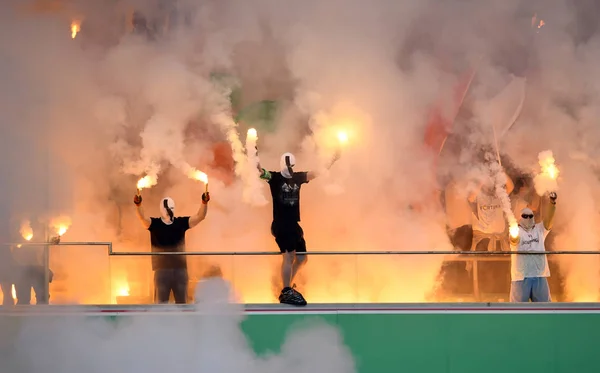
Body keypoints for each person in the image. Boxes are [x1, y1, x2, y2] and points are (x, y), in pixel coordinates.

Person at [258, 151, 339, 306]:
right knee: (289, 256)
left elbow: (316, 173)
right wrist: (253, 155)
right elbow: (261, 172)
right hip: (281, 224)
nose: (291, 168)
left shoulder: (297, 178)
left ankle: (286, 285)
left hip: (294, 224)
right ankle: (286, 289)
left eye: (293, 166)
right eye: (290, 165)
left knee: (302, 258)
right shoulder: (275, 178)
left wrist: (332, 159)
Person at [134, 191, 210, 304]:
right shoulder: (155, 224)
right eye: (166, 208)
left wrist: (204, 202)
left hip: (179, 270)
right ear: (161, 209)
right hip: (162, 270)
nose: (169, 210)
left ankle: (182, 321)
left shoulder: (180, 222)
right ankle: (162, 321)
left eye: (171, 207)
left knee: (182, 304)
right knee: (161, 304)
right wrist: (138, 205)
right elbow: (142, 218)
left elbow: (200, 216)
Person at [509, 192, 557, 302]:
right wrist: (514, 234)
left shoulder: (539, 229)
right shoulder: (516, 230)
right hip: (521, 276)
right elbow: (513, 240)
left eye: (530, 216)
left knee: (545, 309)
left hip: (539, 274)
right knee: (517, 310)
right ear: (520, 217)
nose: (528, 218)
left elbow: (548, 221)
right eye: (525, 216)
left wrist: (552, 203)